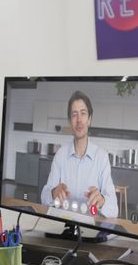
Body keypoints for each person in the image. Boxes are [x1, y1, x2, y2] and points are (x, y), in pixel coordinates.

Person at [41, 90, 118, 219]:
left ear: (89, 119)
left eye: (83, 113)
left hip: (91, 228)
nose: (79, 120)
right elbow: (44, 197)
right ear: (70, 121)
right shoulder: (60, 155)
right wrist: (54, 192)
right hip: (63, 225)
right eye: (74, 114)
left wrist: (102, 200)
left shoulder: (102, 157)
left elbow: (114, 209)